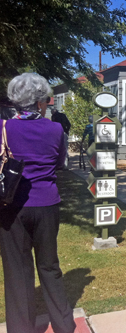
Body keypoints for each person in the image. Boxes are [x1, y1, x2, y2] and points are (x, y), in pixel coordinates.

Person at [0, 73, 76, 333]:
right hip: (46, 204)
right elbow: (59, 164)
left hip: (11, 208)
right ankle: (64, 325)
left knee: (17, 273)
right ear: (40, 101)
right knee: (49, 266)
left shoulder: (3, 128)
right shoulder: (56, 129)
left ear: (15, 100)